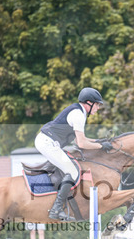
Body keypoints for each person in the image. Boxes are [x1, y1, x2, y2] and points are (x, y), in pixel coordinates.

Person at [35, 87, 112, 221]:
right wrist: (101, 146)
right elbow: (81, 144)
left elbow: (78, 140)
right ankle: (56, 209)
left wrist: (98, 141)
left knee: (71, 167)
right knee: (73, 172)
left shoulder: (79, 112)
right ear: (89, 103)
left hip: (47, 141)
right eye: (97, 104)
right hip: (47, 143)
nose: (98, 108)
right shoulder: (78, 115)